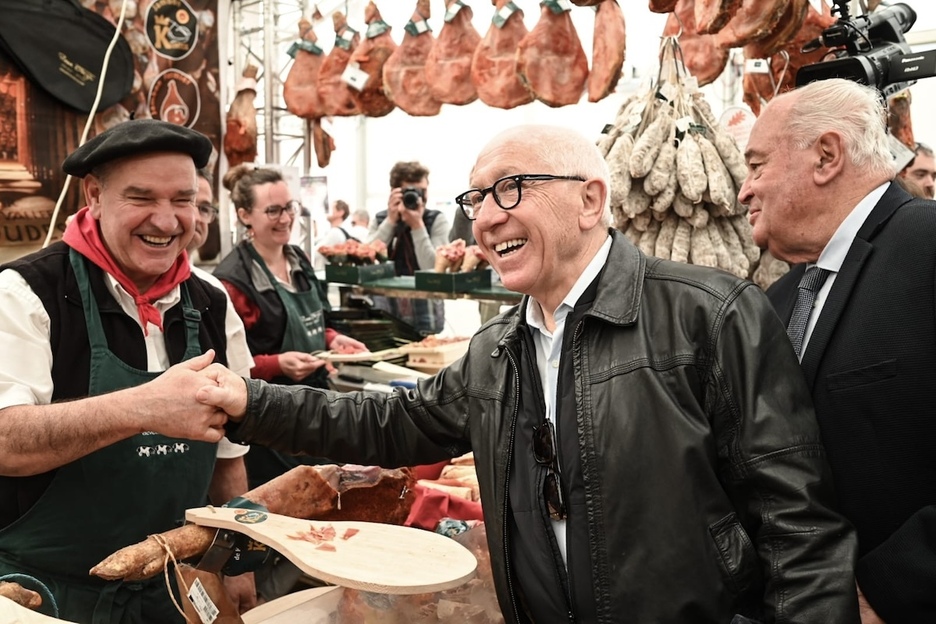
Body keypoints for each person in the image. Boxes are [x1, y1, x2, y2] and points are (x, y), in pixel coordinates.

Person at [197, 124, 860, 623]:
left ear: (590, 200)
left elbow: (798, 524)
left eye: (511, 188)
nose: (487, 217)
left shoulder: (708, 315)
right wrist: (248, 401)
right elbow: (390, 422)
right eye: (476, 197)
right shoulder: (498, 348)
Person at [0, 119, 255, 622]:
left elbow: (228, 457)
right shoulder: (25, 294)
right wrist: (143, 408)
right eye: (141, 198)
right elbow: (6, 441)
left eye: (183, 200)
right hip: (47, 596)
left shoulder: (212, 301)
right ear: (94, 196)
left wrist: (237, 560)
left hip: (175, 588)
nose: (166, 221)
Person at [741, 77, 936, 624]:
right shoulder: (780, 298)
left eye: (756, 166)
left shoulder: (928, 244)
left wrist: (892, 589)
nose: (744, 191)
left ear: (826, 156)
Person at [211, 165, 367, 602]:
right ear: (245, 215)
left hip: (316, 401)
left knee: (320, 510)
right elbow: (229, 365)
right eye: (273, 211)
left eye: (289, 208)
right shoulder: (232, 279)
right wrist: (277, 364)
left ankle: (316, 591)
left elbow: (319, 319)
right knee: (281, 520)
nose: (285, 219)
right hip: (270, 419)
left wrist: (333, 340)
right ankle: (266, 601)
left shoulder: (298, 258)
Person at [366, 161, 449, 335]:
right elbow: (367, 258)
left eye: (422, 191)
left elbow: (434, 267)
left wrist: (417, 225)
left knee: (428, 349)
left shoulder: (436, 219)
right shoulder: (381, 219)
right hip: (386, 304)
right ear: (394, 192)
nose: (418, 198)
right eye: (410, 192)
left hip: (426, 304)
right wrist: (390, 221)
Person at [313, 199, 356, 270]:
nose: (327, 211)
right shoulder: (340, 232)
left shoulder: (335, 232)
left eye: (331, 208)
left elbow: (315, 253)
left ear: (341, 212)